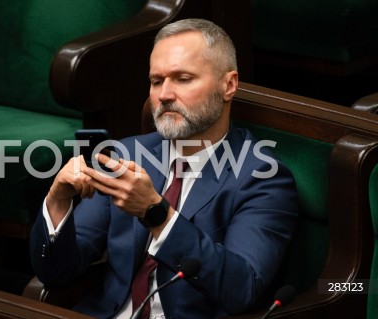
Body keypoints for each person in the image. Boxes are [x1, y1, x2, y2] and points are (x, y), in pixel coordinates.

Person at [29, 18, 299, 319]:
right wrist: (57, 203)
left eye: (183, 78)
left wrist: (157, 214)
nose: (164, 95)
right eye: (157, 81)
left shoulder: (262, 178)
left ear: (229, 85)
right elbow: (58, 272)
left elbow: (240, 288)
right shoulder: (126, 154)